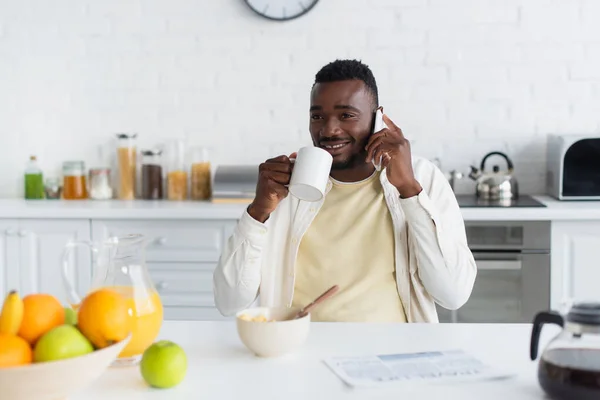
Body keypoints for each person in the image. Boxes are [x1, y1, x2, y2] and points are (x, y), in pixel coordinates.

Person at [213, 59, 476, 323]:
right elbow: (229, 300)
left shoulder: (421, 178)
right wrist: (258, 211)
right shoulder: (284, 188)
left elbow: (453, 294)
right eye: (317, 116)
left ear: (378, 118)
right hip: (299, 348)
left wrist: (409, 189)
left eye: (346, 115)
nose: (328, 130)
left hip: (391, 349)